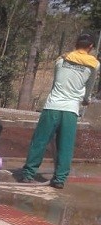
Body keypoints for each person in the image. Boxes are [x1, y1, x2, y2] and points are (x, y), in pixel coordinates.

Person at [20, 33, 99, 189]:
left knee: (40, 141)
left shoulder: (61, 59)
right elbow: (89, 88)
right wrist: (86, 99)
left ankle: (28, 174)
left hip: (52, 106)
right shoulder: (94, 64)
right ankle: (59, 179)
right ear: (90, 47)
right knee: (65, 146)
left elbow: (56, 81)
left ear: (76, 44)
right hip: (70, 110)